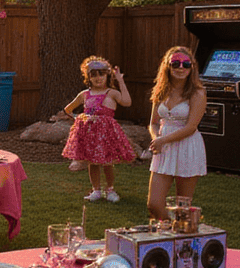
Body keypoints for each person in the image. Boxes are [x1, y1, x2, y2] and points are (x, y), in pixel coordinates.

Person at [62, 56, 136, 202]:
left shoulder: (112, 93)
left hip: (107, 134)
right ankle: (96, 190)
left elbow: (127, 102)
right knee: (93, 162)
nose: (98, 78)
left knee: (107, 162)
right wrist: (80, 118)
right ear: (88, 77)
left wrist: (120, 81)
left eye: (101, 74)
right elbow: (68, 109)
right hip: (90, 135)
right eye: (94, 75)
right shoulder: (84, 94)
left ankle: (110, 190)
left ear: (107, 75)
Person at [146, 45, 208, 220]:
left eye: (186, 64)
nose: (181, 68)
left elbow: (191, 127)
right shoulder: (161, 90)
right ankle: (172, 227)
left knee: (183, 208)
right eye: (175, 63)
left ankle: (181, 230)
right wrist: (156, 139)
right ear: (167, 65)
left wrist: (163, 140)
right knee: (154, 204)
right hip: (163, 149)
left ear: (191, 67)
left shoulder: (197, 93)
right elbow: (153, 123)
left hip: (188, 146)